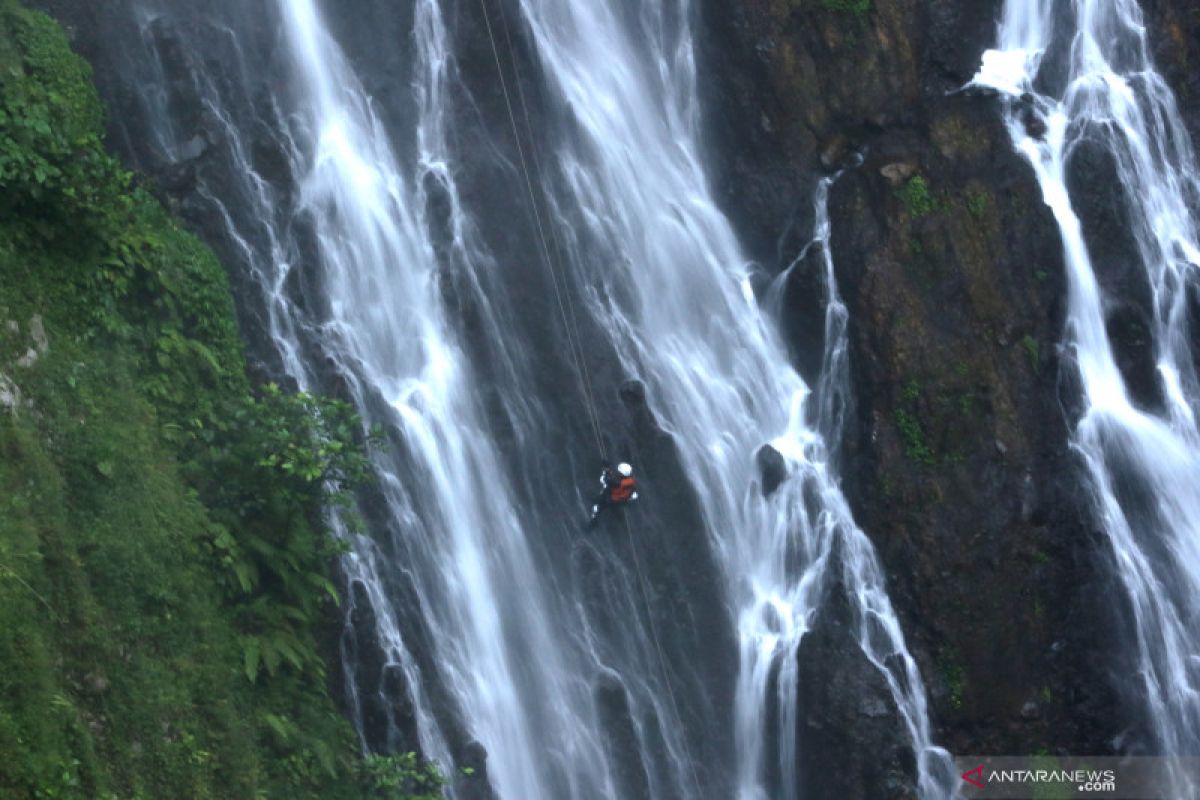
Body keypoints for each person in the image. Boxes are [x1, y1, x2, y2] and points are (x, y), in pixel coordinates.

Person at [588, 461, 639, 529]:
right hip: (621, 500)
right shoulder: (630, 481)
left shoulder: (616, 483)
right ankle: (618, 516)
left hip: (611, 498)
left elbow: (603, 480)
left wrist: (606, 469)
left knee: (598, 507)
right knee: (615, 508)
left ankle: (593, 523)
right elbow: (633, 493)